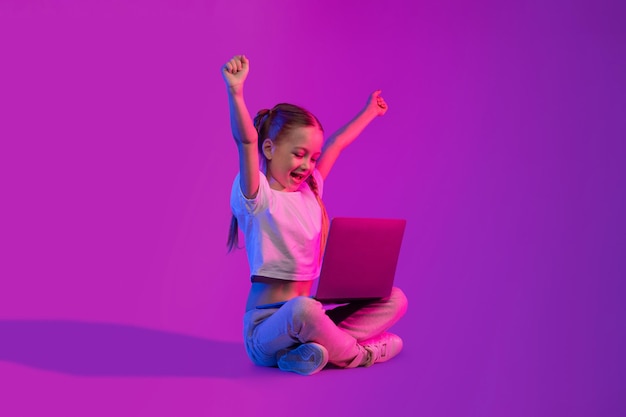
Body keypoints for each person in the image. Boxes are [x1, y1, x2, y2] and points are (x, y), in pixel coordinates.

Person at [222, 54, 408, 375]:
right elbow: (245, 140)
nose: (308, 165)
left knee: (395, 298)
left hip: (309, 322)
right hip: (266, 331)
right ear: (269, 150)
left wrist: (369, 113)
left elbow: (336, 144)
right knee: (304, 310)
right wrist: (236, 93)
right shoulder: (258, 196)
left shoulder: (312, 191)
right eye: (299, 154)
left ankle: (314, 351)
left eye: (313, 157)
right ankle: (360, 355)